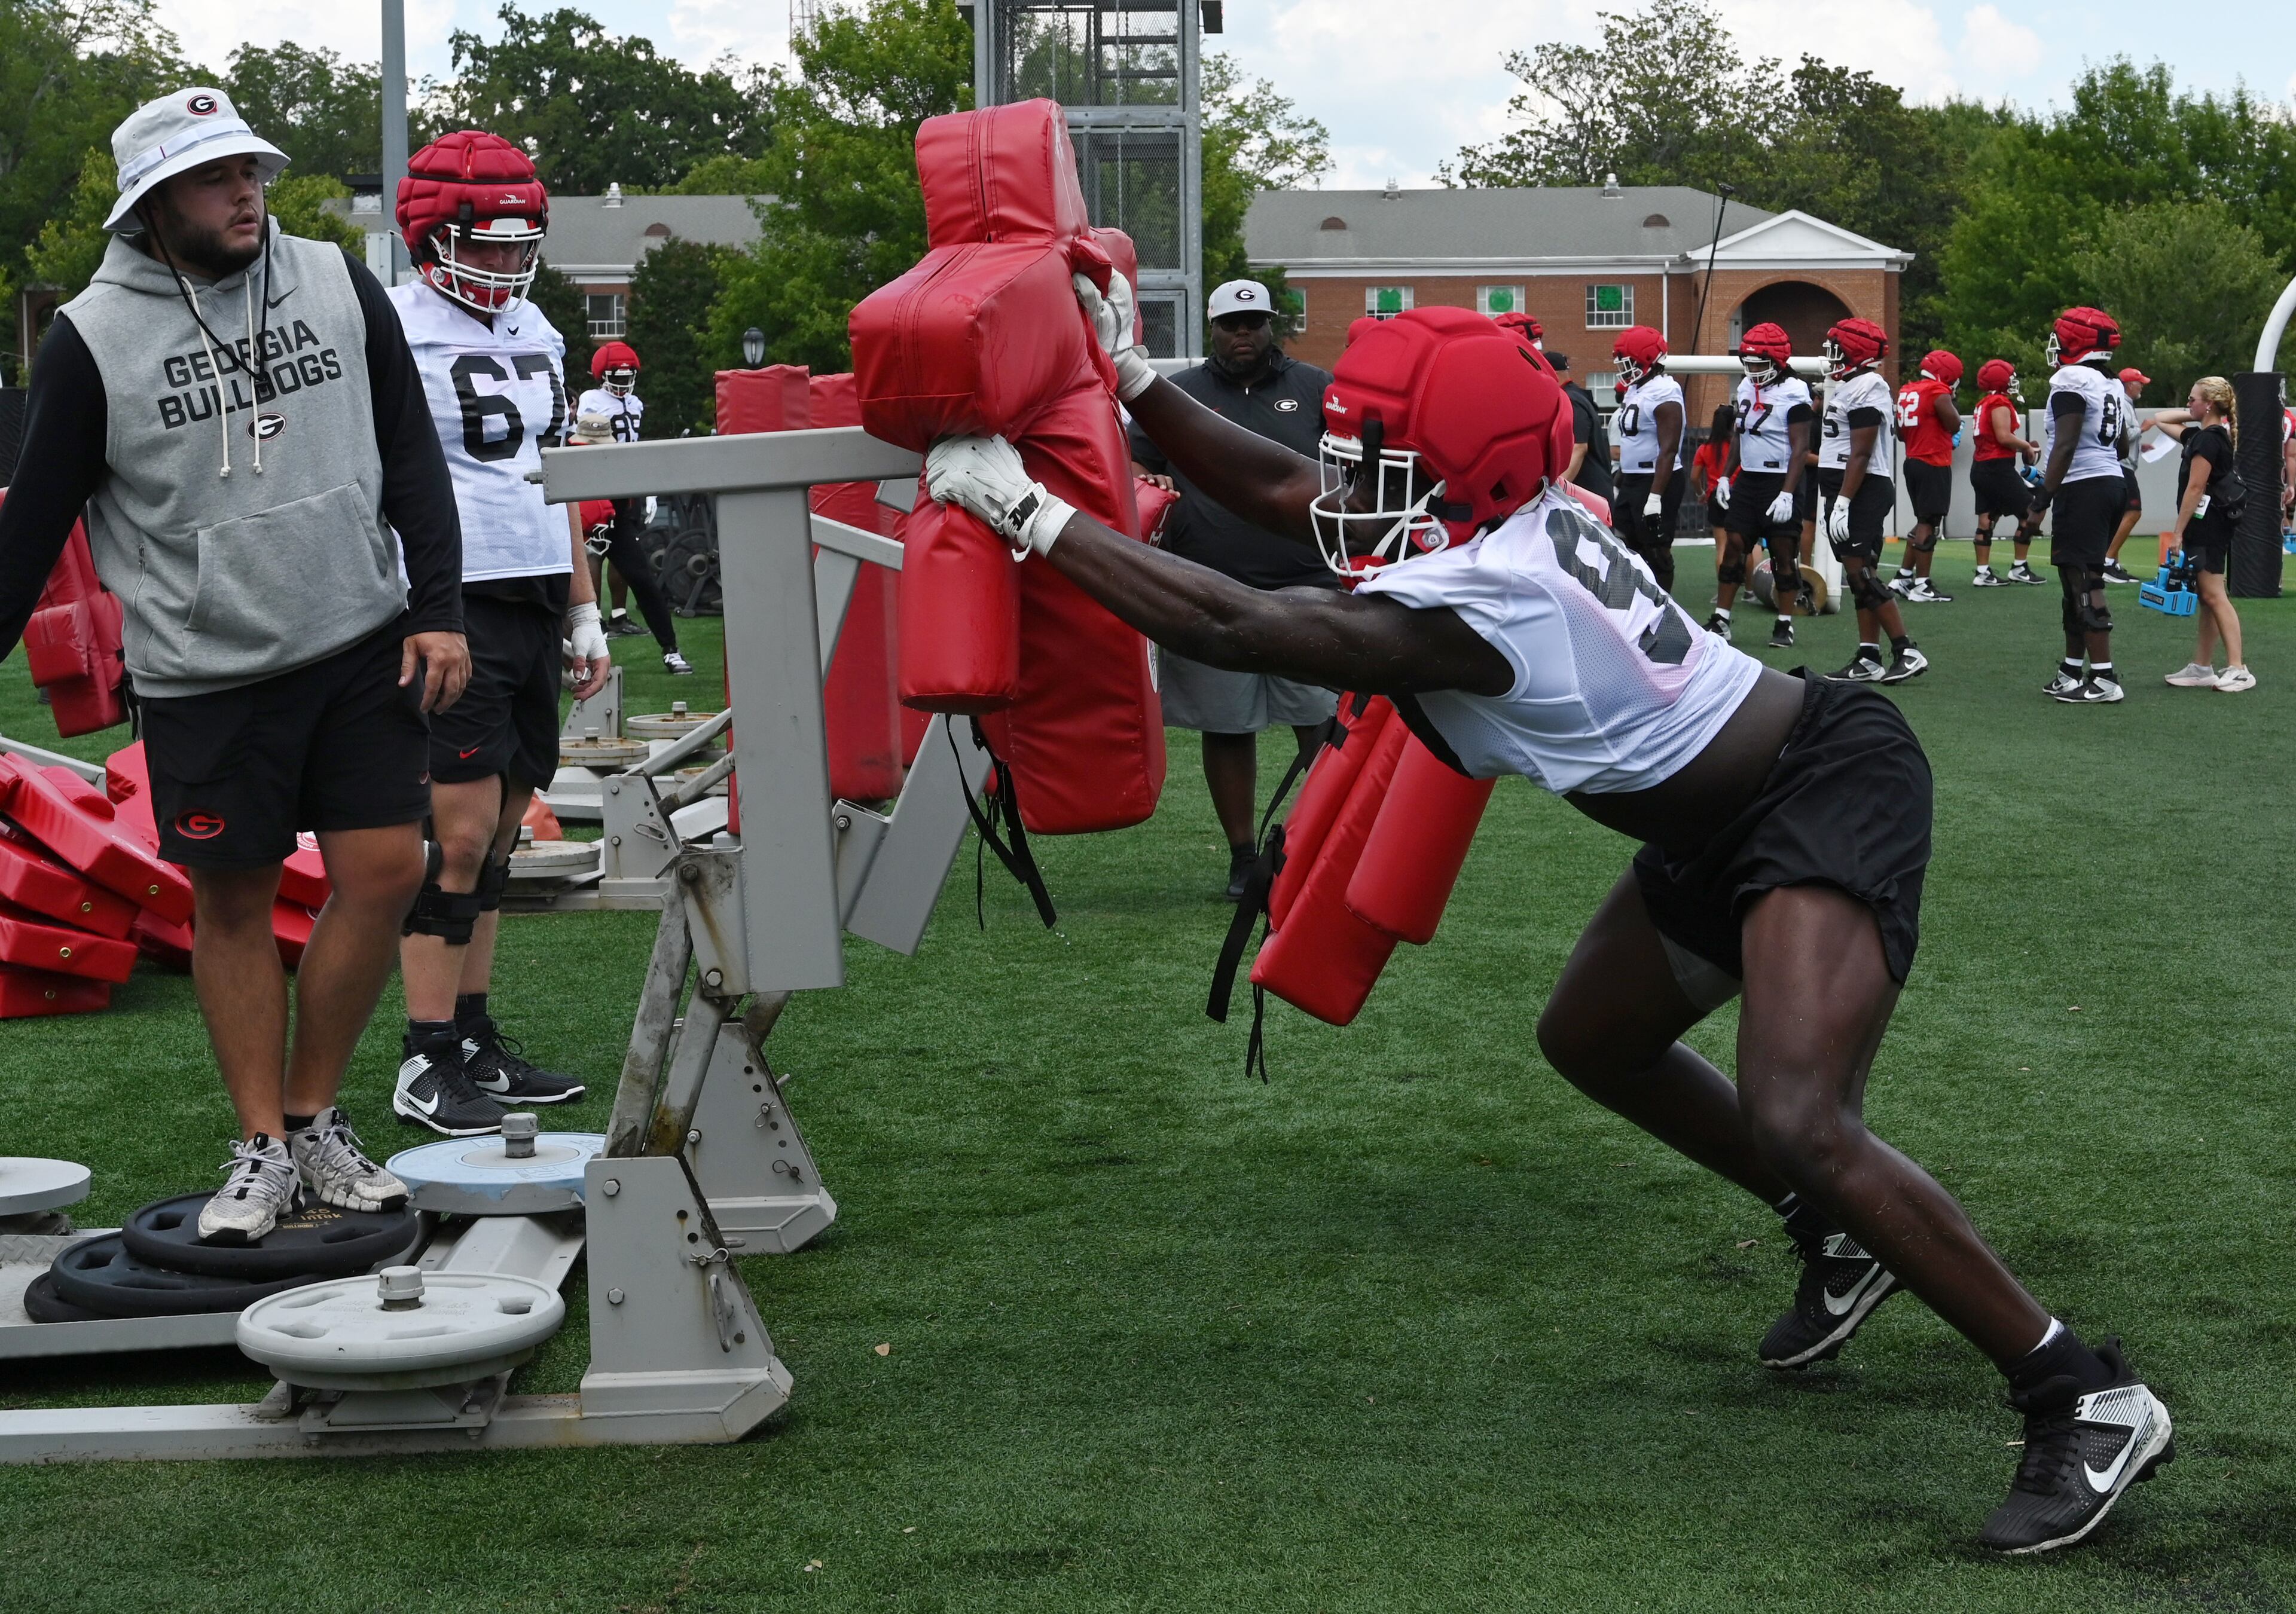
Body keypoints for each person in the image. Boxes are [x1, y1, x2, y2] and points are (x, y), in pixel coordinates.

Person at [929, 287, 2172, 1554]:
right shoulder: (1495, 508)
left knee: (1803, 1113)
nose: (1344, 474)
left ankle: (2080, 1391)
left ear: (1449, 471)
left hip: (1813, 788)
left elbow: (1232, 619)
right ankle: (1841, 1241)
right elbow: (1276, 488)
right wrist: (1140, 378)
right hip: (1709, 817)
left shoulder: (1486, 592)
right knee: (1593, 1039)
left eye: (1374, 455)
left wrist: (1029, 515)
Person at [0, 88, 470, 1240]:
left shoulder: (330, 276)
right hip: (205, 669)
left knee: (384, 870)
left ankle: (313, 1118)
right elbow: (32, 524)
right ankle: (260, 1143)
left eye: (250, 171)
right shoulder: (92, 339)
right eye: (217, 180)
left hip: (358, 635)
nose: (246, 192)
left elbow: (408, 443)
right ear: (157, 203)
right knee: (234, 900)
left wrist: (439, 604)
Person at [389, 129, 610, 1134]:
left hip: (528, 591)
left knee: (506, 830)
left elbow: (559, 479)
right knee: (459, 833)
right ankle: (424, 1053)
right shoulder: (391, 328)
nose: (506, 264)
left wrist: (583, 605)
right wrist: (414, 612)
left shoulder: (541, 331)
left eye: (520, 245)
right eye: (486, 244)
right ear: (435, 238)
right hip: (452, 598)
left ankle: (472, 1035)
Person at [1126, 279, 1337, 899]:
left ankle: (1318, 844)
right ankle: (1244, 856)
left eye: (1254, 323)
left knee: (1322, 724)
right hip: (1210, 584)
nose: (1243, 334)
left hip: (1308, 581)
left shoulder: (1317, 388)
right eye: (1231, 324)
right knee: (1227, 726)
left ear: (1270, 325)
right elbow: (1135, 456)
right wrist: (1149, 476)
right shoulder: (1179, 395)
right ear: (1211, 329)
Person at [2022, 307, 2131, 704]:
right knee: (2074, 583)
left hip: (2084, 485)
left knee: (2085, 582)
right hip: (2109, 480)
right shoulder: (2111, 383)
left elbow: (2065, 444)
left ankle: (2104, 679)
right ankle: (2072, 670)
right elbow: (2121, 444)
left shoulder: (2071, 379)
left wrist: (2040, 503)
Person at [572, 340, 693, 674]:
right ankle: (578, 650)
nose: (624, 382)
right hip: (594, 493)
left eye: (629, 376)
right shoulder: (592, 401)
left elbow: (635, 449)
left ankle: (669, 648)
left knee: (641, 576)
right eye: (617, 375)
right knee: (577, 576)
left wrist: (645, 490)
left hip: (625, 496)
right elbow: (585, 443)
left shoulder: (635, 404)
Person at [1816, 319, 1926, 684]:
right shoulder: (1851, 385)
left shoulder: (1868, 385)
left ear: (1856, 353)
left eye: (1837, 349)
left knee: (1862, 574)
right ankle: (1868, 656)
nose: (1831, 357)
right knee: (1860, 573)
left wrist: (1845, 500)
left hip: (1862, 489)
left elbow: (1861, 453)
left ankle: (1906, 650)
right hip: (1850, 489)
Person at [1709, 322, 1813, 650]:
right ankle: (1722, 619)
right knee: (1734, 547)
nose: (1753, 370)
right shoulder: (1745, 388)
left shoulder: (1795, 391)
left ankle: (1785, 624)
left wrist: (1787, 491)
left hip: (1781, 479)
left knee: (1784, 553)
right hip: (1750, 479)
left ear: (1779, 362)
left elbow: (1800, 448)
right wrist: (1727, 474)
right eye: (1749, 363)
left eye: (1759, 364)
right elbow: (1742, 434)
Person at [2151, 378, 2252, 692]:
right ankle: (2202, 667)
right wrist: (2197, 412)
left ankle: (2239, 668)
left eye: (2193, 399)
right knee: (2207, 598)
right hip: (2207, 525)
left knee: (2213, 595)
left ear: (2209, 403)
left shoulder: (2209, 441)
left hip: (2208, 526)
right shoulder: (2201, 435)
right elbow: (2160, 420)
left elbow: (2196, 488)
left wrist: (2178, 532)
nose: (2187, 405)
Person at [1608, 326, 1686, 590]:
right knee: (1629, 546)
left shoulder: (1665, 391)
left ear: (1649, 360)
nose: (1624, 369)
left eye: (1629, 363)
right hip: (1633, 479)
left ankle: (1665, 613)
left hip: (1656, 480)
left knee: (1657, 551)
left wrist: (1655, 498)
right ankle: (1640, 606)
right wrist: (1620, 480)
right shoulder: (1637, 388)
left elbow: (1668, 449)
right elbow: (1633, 442)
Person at [1891, 351, 1962, 603]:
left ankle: (1903, 576)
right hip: (1933, 462)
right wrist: (1950, 400)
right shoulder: (1936, 390)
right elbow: (1954, 424)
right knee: (1929, 523)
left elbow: (1900, 433)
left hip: (1913, 461)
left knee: (1924, 520)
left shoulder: (1908, 390)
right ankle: (1922, 585)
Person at [1967, 359, 2041, 587]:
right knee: (2032, 512)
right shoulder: (1999, 402)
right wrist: (2027, 446)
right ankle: (2019, 567)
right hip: (1997, 467)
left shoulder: (1983, 403)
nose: (2013, 382)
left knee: (1987, 518)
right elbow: (2003, 437)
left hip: (1981, 467)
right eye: (2009, 378)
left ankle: (1982, 573)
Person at [1546, 352, 1614, 508]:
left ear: (1553, 374)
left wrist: (1555, 492)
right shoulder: (1577, 395)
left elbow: (1579, 447)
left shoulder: (1571, 400)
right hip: (1592, 491)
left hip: (1589, 493)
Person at [2101, 366, 2150, 585]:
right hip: (2122, 466)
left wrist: (2142, 446)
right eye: (2139, 383)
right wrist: (2144, 428)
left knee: (2119, 516)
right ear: (2129, 385)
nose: (2142, 386)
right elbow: (2124, 433)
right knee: (2134, 512)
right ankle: (2108, 561)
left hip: (2121, 464)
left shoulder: (2123, 402)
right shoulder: (2122, 402)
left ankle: (2113, 563)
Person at [1691, 405, 1734, 543]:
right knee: (1745, 546)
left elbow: (1694, 477)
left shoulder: (1704, 449)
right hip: (1739, 494)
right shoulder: (1737, 446)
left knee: (1722, 545)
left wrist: (1701, 494)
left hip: (1716, 496)